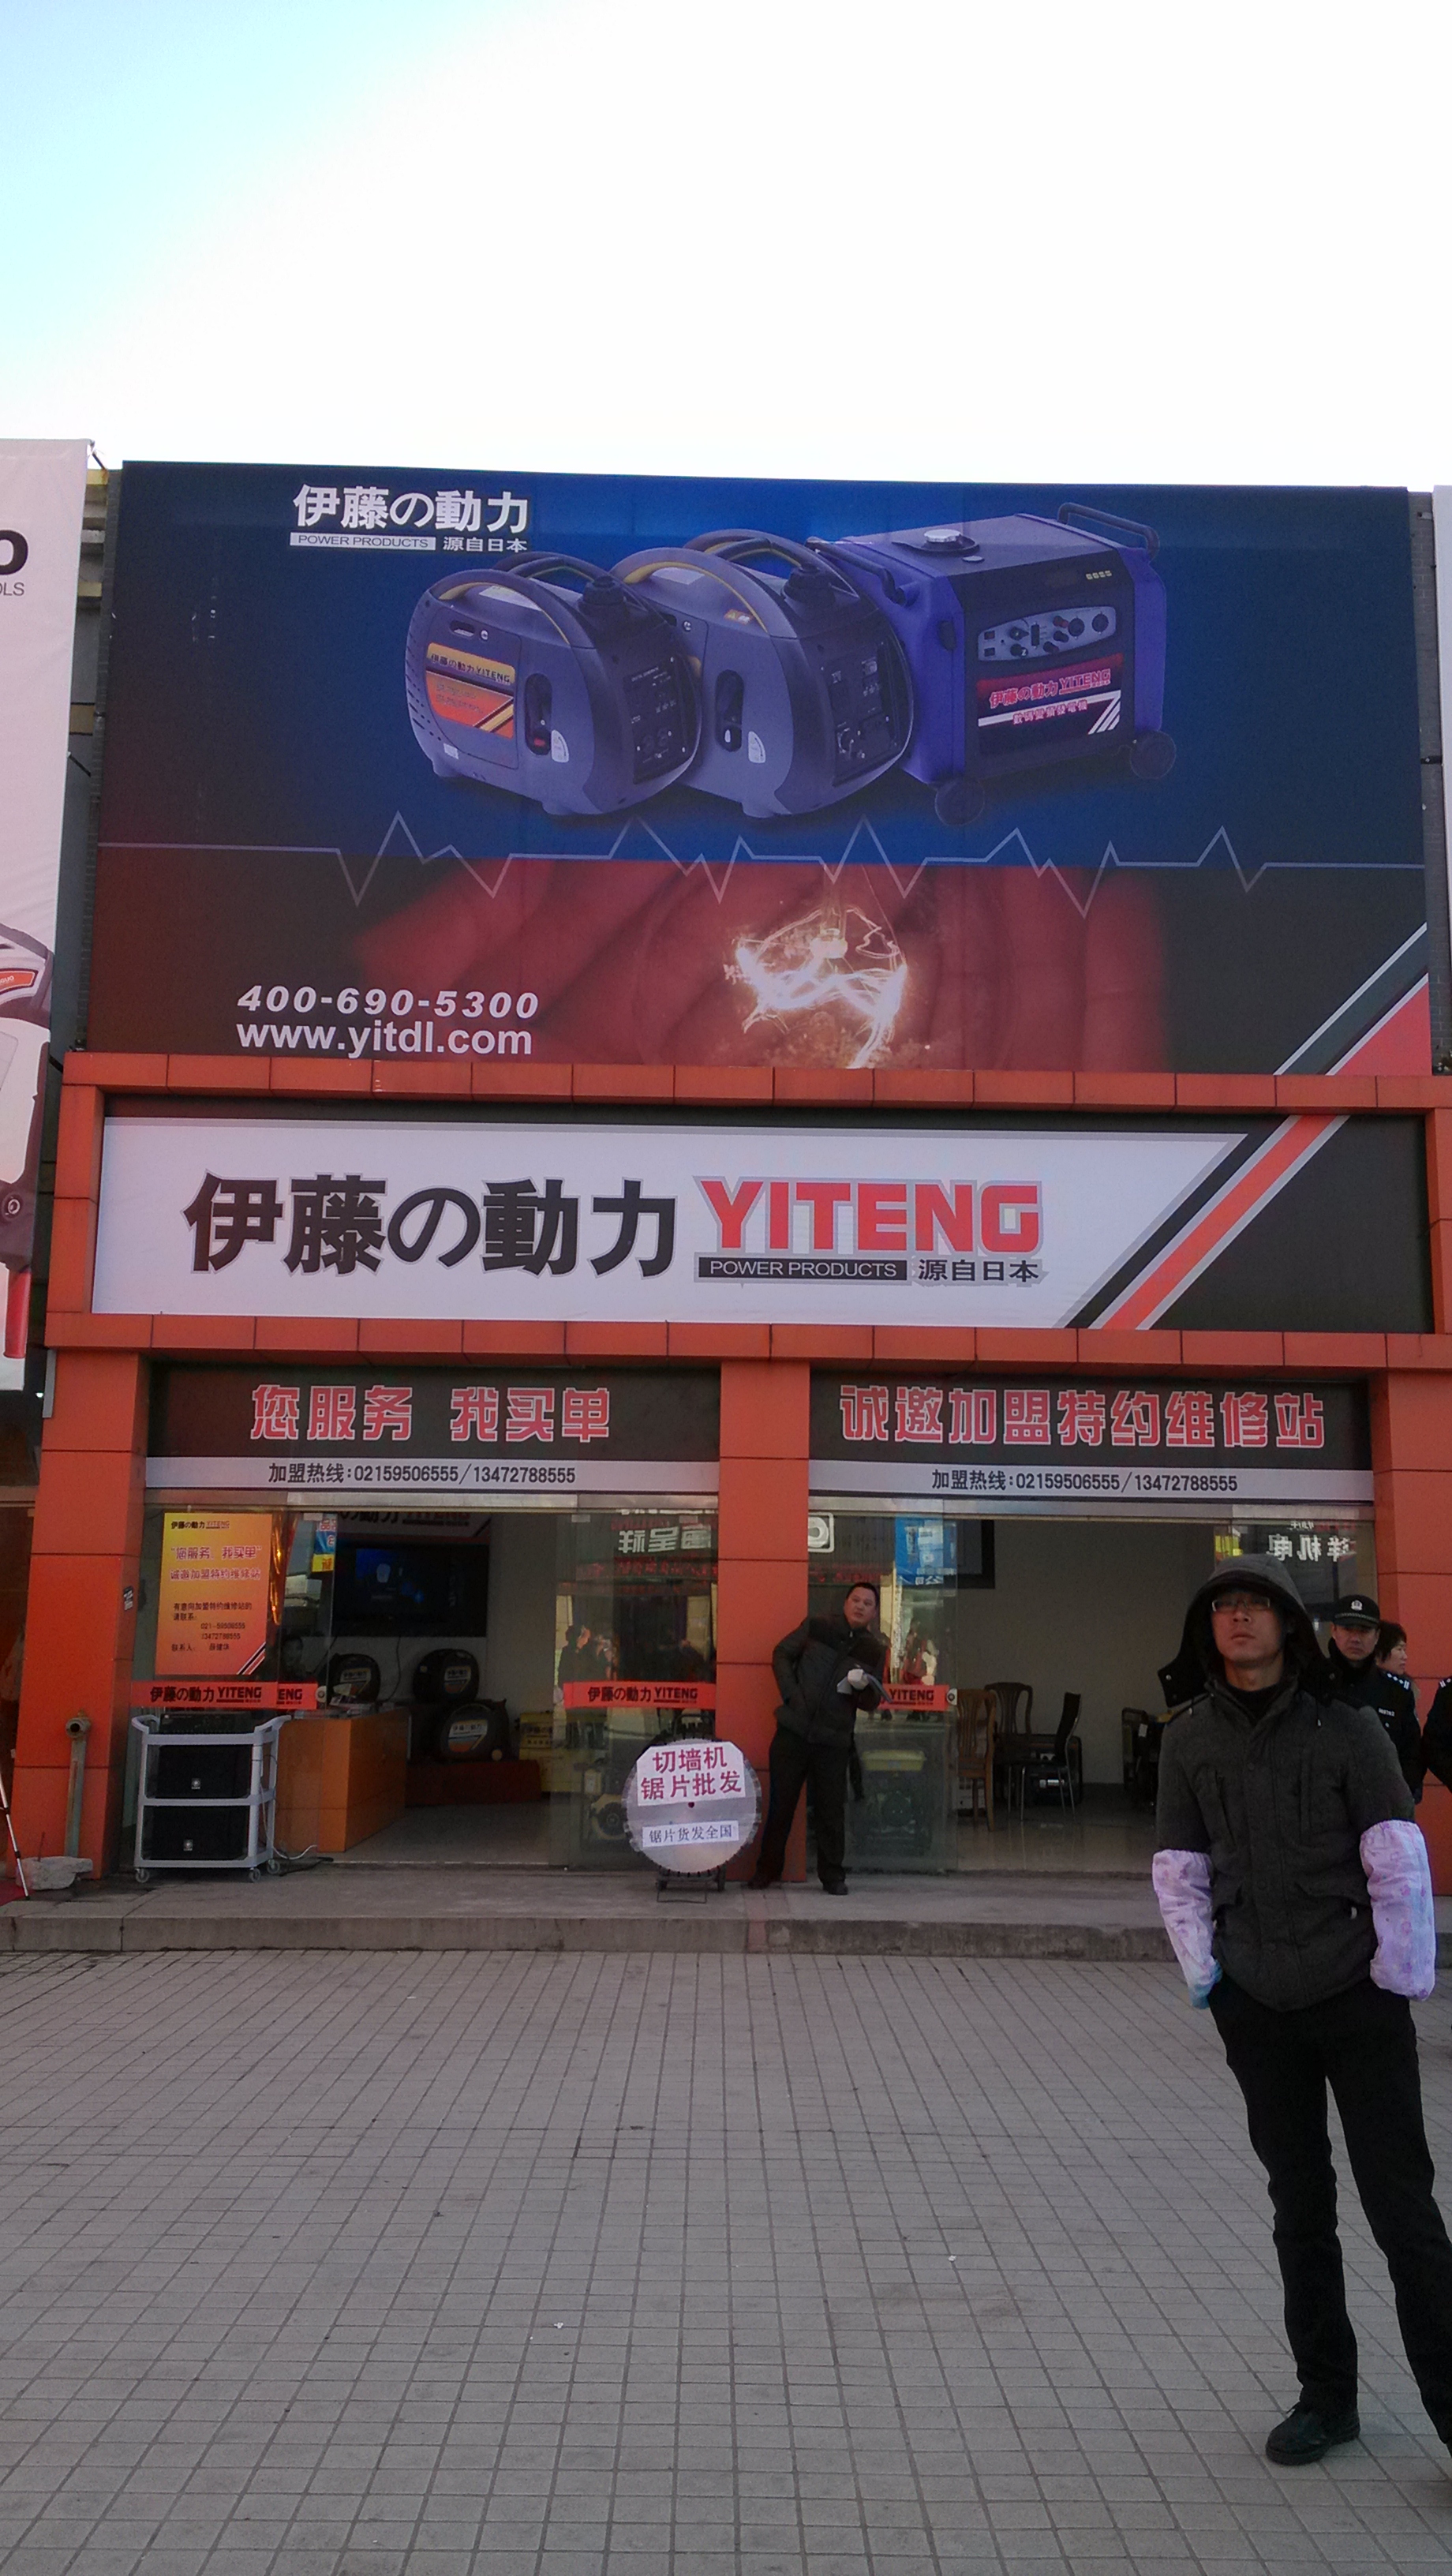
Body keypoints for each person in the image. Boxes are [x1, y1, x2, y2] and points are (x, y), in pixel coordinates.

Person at [1153, 1555, 1452, 2468]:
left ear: (1288, 1623)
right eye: (1224, 1608)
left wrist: (1396, 1974)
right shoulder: (1189, 1738)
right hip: (1257, 2004)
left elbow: (1397, 1857)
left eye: (1256, 1605)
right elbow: (1180, 1869)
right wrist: (1210, 1977)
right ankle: (1326, 2400)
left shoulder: (1348, 1729)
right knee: (1299, 2205)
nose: (1238, 1618)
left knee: (1402, 2211)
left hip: (1356, 1994)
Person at [749, 1582, 887, 1894]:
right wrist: (791, 1695)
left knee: (831, 1812)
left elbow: (871, 1702)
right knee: (781, 1805)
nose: (860, 1606)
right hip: (793, 1731)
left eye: (867, 1603)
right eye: (855, 1600)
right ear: (845, 1603)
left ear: (874, 1613)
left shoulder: (874, 1650)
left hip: (834, 1740)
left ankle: (833, 1876)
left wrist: (861, 1688)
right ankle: (766, 1870)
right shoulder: (818, 1626)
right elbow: (781, 1653)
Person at [1324, 1590, 1423, 1800]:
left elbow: (1413, 1755)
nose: (1355, 1638)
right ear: (1334, 1630)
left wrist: (1398, 1797)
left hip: (1382, 1806)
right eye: (1348, 1629)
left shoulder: (1396, 1693)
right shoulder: (1311, 1685)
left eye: (1364, 1631)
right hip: (1323, 1807)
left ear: (1377, 1636)